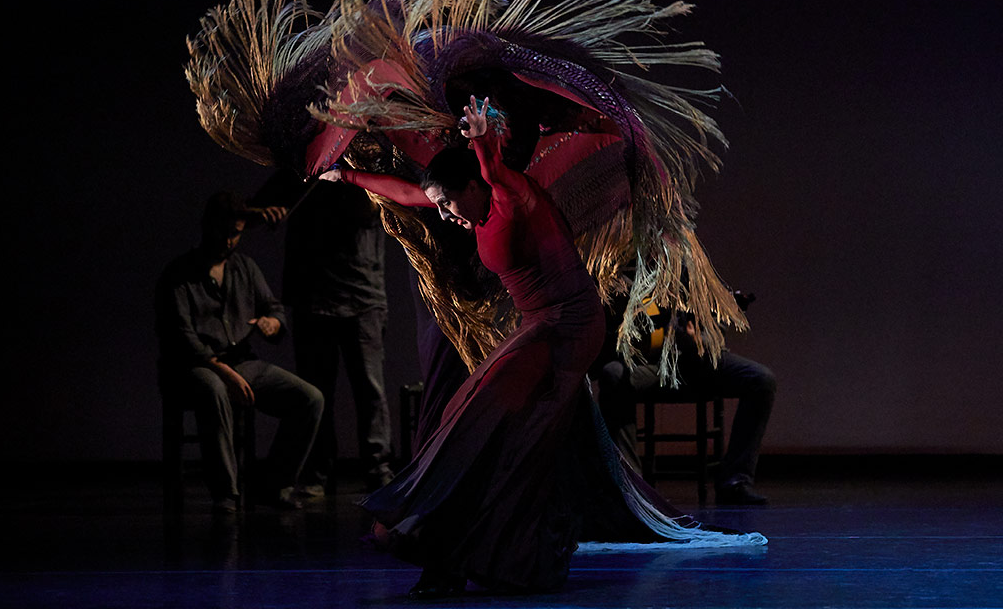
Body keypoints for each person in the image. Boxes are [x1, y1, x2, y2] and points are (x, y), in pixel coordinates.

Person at [322, 97, 765, 596]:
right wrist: (348, 178)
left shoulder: (511, 193)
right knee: (491, 428)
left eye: (449, 202)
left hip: (569, 326)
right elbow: (407, 193)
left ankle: (465, 555)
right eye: (440, 204)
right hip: (540, 326)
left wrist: (482, 138)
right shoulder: (465, 202)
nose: (445, 214)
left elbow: (491, 168)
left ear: (472, 185)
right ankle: (464, 553)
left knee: (483, 423)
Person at [155, 191, 324, 513]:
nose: (230, 240)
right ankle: (226, 493)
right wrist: (223, 371)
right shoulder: (179, 274)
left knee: (310, 398)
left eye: (236, 233)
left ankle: (273, 482)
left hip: (241, 361)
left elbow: (273, 308)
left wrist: (272, 323)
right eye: (224, 232)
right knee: (214, 388)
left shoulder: (243, 267)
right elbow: (181, 338)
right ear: (208, 226)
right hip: (194, 366)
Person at [251, 173, 394, 494]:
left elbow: (373, 211)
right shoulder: (303, 162)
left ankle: (377, 468)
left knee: (370, 390)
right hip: (312, 294)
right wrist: (263, 214)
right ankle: (317, 470)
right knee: (317, 390)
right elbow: (255, 207)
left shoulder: (366, 165)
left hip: (362, 295)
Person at [591, 296, 777, 505]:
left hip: (696, 363)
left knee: (760, 379)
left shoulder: (695, 273)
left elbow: (716, 334)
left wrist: (697, 340)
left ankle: (734, 482)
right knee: (613, 375)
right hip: (651, 365)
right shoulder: (627, 277)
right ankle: (631, 486)